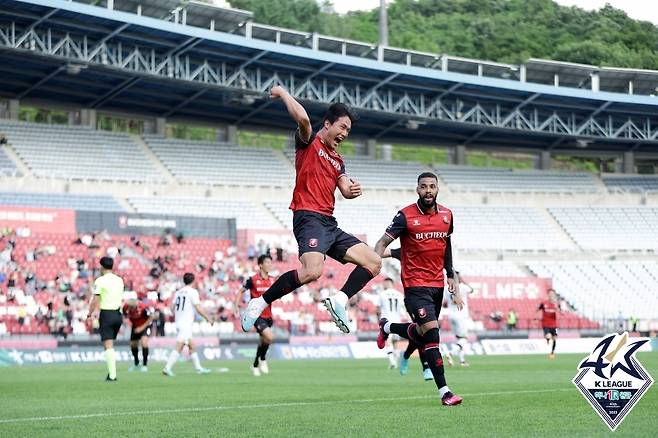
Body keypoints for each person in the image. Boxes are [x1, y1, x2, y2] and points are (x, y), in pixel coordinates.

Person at [241, 85, 381, 334]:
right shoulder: (309, 142)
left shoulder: (338, 160)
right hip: (308, 217)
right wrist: (283, 93)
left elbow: (345, 190)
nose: (345, 133)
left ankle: (339, 300)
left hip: (329, 223)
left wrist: (352, 190)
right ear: (327, 124)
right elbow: (304, 119)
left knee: (374, 262)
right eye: (342, 127)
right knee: (312, 272)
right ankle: (259, 302)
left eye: (349, 130)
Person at [374, 172, 463, 406]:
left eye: (432, 186)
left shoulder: (447, 215)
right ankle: (445, 391)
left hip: (437, 285)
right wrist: (371, 262)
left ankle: (387, 326)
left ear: (438, 189)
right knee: (433, 334)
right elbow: (383, 243)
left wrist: (450, 273)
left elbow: (447, 244)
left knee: (423, 333)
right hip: (415, 285)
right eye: (424, 187)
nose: (428, 191)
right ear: (417, 189)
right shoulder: (405, 216)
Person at [162, 273, 215, 376]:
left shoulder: (178, 292)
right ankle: (167, 368)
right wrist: (208, 318)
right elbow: (198, 307)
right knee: (179, 346)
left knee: (191, 345)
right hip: (185, 323)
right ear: (193, 281)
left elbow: (172, 308)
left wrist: (179, 315)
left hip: (179, 322)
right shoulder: (193, 292)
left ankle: (199, 368)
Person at [234, 254, 277, 377]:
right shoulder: (252, 280)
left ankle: (254, 365)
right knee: (269, 337)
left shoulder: (273, 280)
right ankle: (263, 359)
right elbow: (240, 291)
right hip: (256, 316)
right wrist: (236, 306)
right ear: (260, 265)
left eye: (270, 262)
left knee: (264, 341)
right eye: (267, 262)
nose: (270, 264)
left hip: (269, 316)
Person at [86, 256, 124, 382]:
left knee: (108, 345)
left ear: (101, 266)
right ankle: (111, 373)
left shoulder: (100, 281)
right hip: (118, 314)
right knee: (110, 344)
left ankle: (112, 375)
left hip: (107, 314)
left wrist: (89, 314)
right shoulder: (119, 280)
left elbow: (95, 300)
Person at [376, 277, 406, 370]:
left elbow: (377, 309)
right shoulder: (399, 294)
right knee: (396, 341)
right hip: (397, 320)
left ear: (387, 283)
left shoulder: (382, 294)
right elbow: (404, 308)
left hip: (386, 320)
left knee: (387, 340)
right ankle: (395, 360)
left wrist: (378, 320)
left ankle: (392, 361)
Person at [446, 271, 474, 367]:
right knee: (464, 339)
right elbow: (472, 290)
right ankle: (451, 353)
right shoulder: (462, 287)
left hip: (451, 316)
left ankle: (462, 361)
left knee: (459, 339)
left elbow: (445, 302)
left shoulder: (447, 288)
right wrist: (462, 280)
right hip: (461, 316)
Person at [122, 298, 154, 372]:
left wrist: (141, 328)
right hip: (135, 326)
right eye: (129, 307)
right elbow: (125, 315)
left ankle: (145, 365)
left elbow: (151, 317)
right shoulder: (125, 307)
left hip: (145, 325)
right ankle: (136, 364)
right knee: (133, 344)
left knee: (144, 342)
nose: (130, 309)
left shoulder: (143, 307)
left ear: (136, 306)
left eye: (132, 307)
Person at [537, 288, 559, 359]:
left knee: (555, 339)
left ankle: (552, 353)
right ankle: (547, 339)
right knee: (548, 336)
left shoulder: (556, 304)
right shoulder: (544, 303)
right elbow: (537, 310)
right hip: (546, 324)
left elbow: (561, 312)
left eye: (552, 294)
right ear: (548, 295)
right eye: (550, 294)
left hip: (554, 325)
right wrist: (536, 318)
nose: (551, 295)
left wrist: (557, 309)